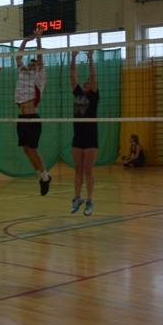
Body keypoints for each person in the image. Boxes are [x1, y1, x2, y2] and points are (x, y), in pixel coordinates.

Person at [15, 32, 51, 195]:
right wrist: (24, 41)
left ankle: (45, 177)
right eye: (31, 63)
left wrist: (38, 40)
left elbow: (40, 58)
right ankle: (42, 176)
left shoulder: (39, 78)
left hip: (32, 118)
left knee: (32, 150)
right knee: (26, 150)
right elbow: (18, 57)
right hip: (22, 117)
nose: (33, 65)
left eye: (35, 64)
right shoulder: (23, 72)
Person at [69, 50, 99, 216]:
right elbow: (72, 76)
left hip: (91, 138)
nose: (88, 83)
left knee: (88, 169)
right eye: (86, 82)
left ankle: (90, 200)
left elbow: (93, 76)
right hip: (78, 137)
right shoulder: (78, 94)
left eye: (90, 82)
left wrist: (91, 58)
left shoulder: (94, 96)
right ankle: (77, 198)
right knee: (78, 169)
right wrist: (73, 58)